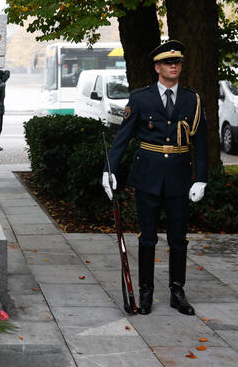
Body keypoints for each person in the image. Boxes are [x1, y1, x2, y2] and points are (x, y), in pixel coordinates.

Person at [102, 40, 208, 316]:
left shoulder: (192, 99)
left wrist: (201, 178)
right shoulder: (140, 98)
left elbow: (201, 142)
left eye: (178, 63)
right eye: (169, 63)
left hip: (179, 176)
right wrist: (108, 170)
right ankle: (146, 293)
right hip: (148, 175)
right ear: (157, 67)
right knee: (147, 238)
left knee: (178, 238)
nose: (175, 66)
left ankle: (177, 292)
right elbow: (122, 138)